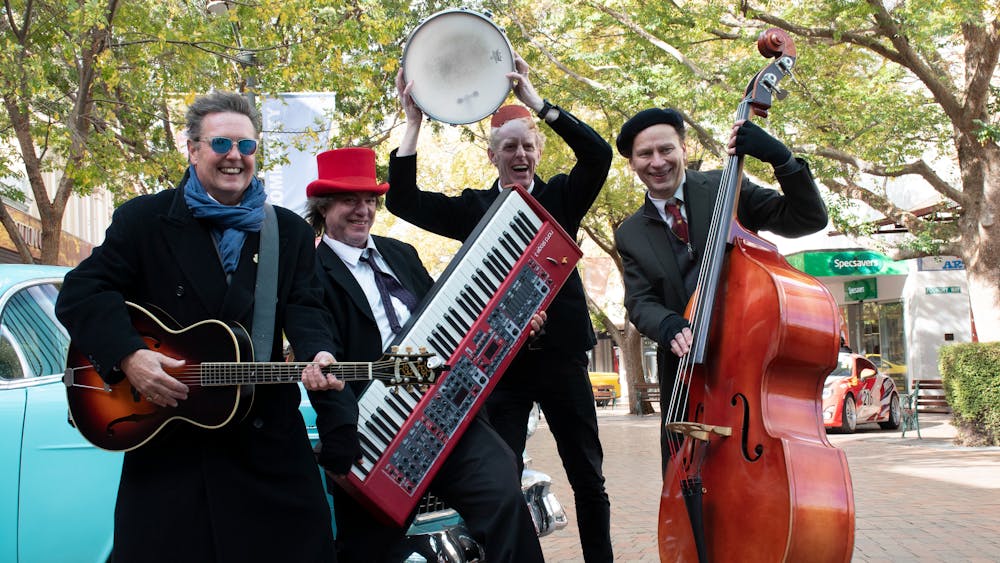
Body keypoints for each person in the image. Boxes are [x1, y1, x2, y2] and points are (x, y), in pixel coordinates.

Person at [55, 91, 344, 562]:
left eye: (247, 147)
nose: (235, 157)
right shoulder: (143, 220)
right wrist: (130, 355)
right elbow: (82, 292)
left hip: (267, 448)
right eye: (221, 144)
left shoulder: (288, 231)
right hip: (172, 453)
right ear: (192, 150)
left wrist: (318, 352)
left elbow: (306, 306)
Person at [387, 54, 615, 562]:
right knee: (501, 480)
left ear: (538, 152)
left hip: (561, 359)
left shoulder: (561, 197)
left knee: (588, 477)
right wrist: (412, 123)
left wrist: (539, 103)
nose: (520, 154)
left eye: (527, 146)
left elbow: (599, 156)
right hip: (500, 368)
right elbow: (402, 201)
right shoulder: (472, 207)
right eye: (509, 146)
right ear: (493, 157)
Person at [303, 147, 545, 562]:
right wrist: (342, 433)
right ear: (324, 208)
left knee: (505, 503)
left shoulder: (401, 254)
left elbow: (456, 319)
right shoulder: (310, 271)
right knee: (368, 548)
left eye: (370, 201)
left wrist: (517, 325)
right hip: (374, 428)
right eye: (350, 201)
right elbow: (322, 352)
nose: (363, 211)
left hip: (447, 411)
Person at [612, 108, 829, 470]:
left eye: (666, 149)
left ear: (682, 148)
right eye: (645, 154)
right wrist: (667, 325)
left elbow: (807, 219)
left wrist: (782, 159)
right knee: (685, 483)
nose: (657, 162)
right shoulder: (630, 233)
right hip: (686, 379)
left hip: (748, 369)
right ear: (632, 164)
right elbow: (639, 300)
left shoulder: (727, 189)